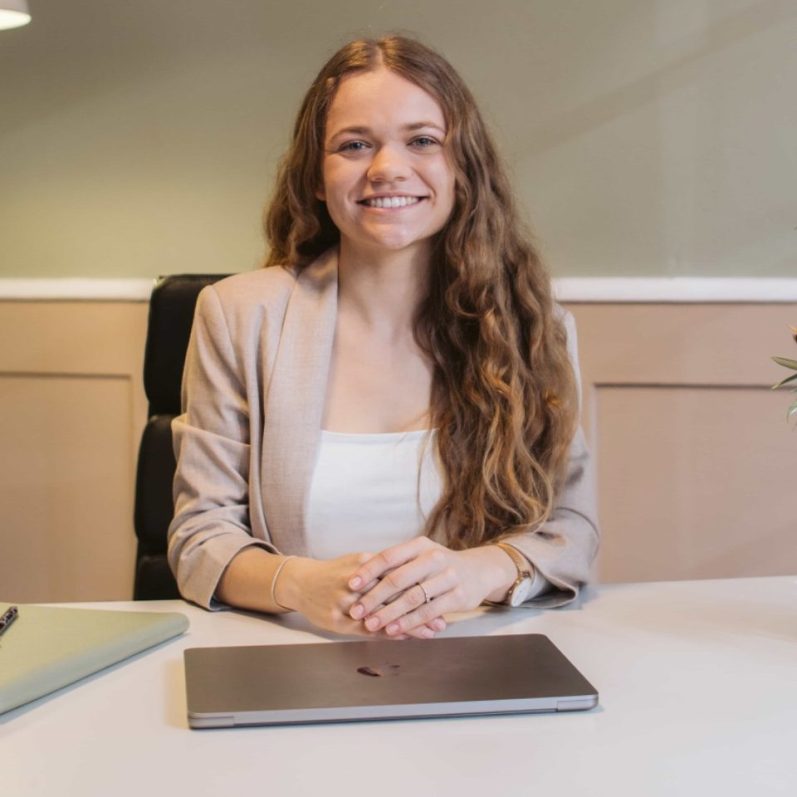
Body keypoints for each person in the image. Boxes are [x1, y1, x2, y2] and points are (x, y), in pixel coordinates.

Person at [168, 35, 599, 640]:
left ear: (462, 167)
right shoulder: (239, 315)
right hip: (295, 656)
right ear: (316, 177)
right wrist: (299, 584)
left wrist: (474, 573)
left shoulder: (535, 325)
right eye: (354, 145)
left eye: (422, 140)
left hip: (478, 654)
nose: (387, 168)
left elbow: (571, 528)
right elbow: (199, 539)